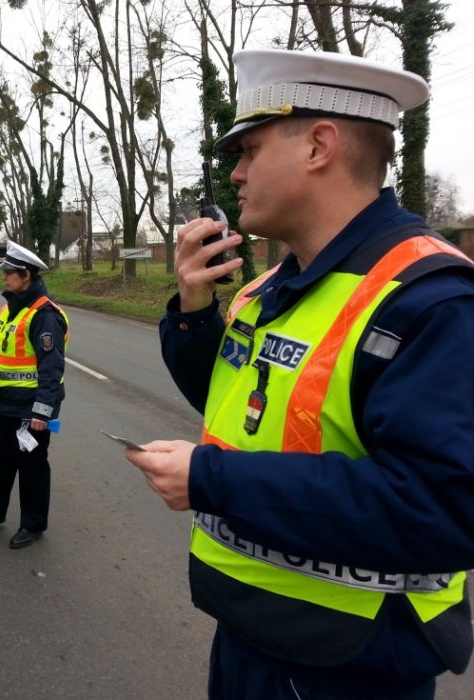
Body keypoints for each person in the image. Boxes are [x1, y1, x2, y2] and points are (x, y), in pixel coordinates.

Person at [124, 49, 473, 699]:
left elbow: (443, 509)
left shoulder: (429, 298)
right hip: (252, 637)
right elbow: (240, 408)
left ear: (318, 145)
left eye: (248, 149)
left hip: (350, 663)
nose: (233, 173)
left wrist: (209, 478)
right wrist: (195, 313)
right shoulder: (266, 290)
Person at [0, 240, 69, 549]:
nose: (3, 277)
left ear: (26, 276)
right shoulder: (9, 309)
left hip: (32, 409)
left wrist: (42, 413)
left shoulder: (44, 315)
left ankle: (33, 525)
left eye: (9, 272)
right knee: (4, 460)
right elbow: (6, 356)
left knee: (32, 466)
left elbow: (51, 369)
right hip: (8, 404)